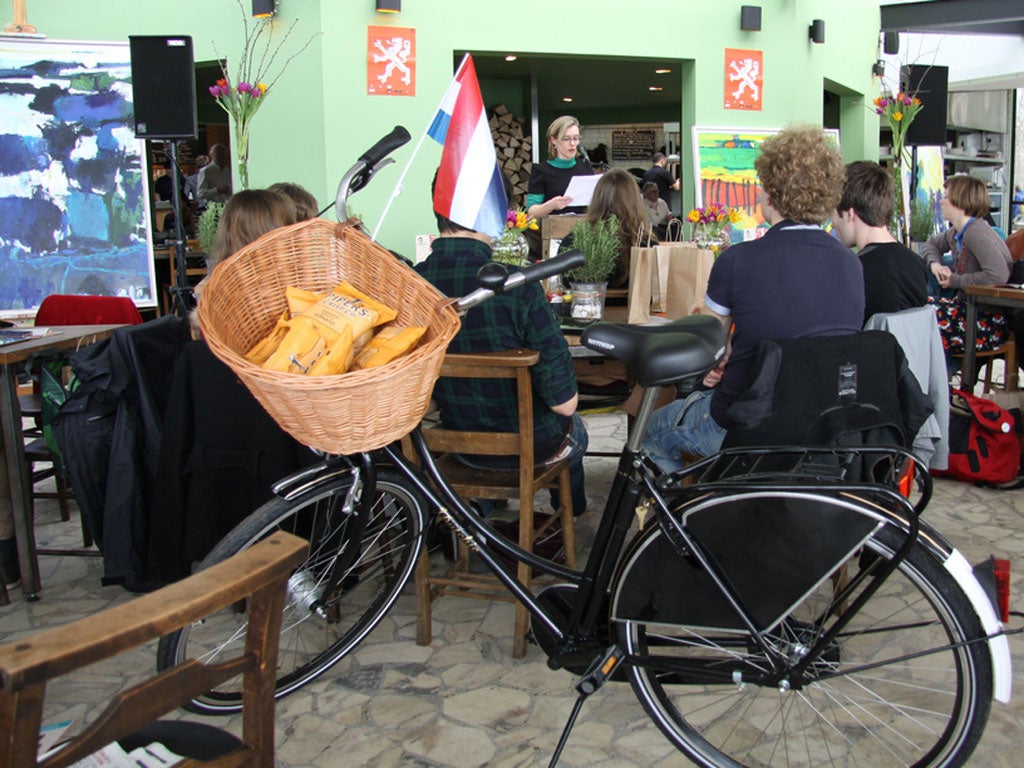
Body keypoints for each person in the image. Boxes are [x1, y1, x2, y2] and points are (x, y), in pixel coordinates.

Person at [642, 124, 864, 472]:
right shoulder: (851, 265)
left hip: (743, 426)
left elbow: (706, 344)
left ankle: (689, 518)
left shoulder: (737, 260)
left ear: (771, 193)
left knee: (650, 432)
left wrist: (719, 360)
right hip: (821, 428)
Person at [416, 173, 589, 518]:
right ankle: (570, 514)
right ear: (495, 211)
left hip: (455, 444)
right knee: (577, 428)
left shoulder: (412, 284)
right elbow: (564, 404)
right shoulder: (517, 285)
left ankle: (482, 509)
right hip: (531, 446)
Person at [922, 174, 1012, 354]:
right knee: (918, 306)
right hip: (968, 312)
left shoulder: (975, 233)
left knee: (921, 316)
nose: (941, 201)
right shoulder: (958, 232)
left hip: (985, 321)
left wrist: (955, 280)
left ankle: (939, 377)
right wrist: (935, 265)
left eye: (946, 197)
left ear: (961, 202)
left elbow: (997, 276)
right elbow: (931, 244)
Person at [832, 161, 928, 322]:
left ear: (850, 214)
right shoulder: (917, 264)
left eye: (833, 213)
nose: (833, 224)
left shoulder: (854, 271)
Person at [560, 167, 653, 289]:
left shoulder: (572, 242)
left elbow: (566, 283)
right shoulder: (648, 244)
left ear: (596, 200)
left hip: (585, 307)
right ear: (636, 201)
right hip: (637, 307)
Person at [525, 115, 594, 220]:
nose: (572, 143)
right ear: (554, 140)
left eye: (576, 138)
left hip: (584, 231)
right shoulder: (541, 170)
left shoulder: (585, 167)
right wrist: (551, 205)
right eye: (566, 139)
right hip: (553, 232)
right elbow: (531, 212)